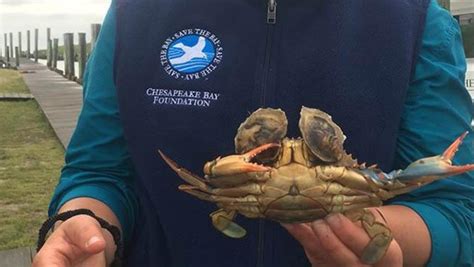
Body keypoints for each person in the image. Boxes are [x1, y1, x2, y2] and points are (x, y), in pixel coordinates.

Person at [33, 0, 473, 266]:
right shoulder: (136, 15)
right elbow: (101, 172)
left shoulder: (414, 20)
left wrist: (384, 238)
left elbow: (457, 210)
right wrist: (87, 223)